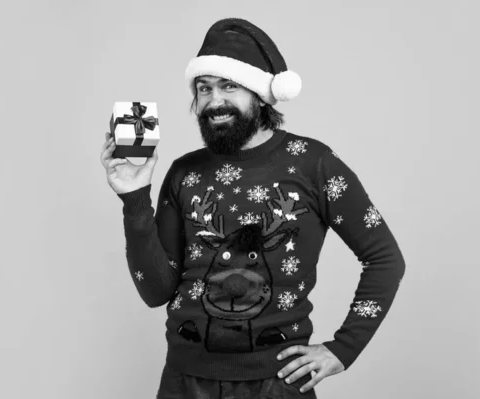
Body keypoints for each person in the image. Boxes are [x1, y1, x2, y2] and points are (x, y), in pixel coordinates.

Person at [100, 17, 405, 399]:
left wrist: (343, 349)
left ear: (261, 94)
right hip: (184, 383)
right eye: (204, 88)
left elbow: (385, 258)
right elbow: (155, 290)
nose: (214, 101)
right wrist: (134, 198)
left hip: (278, 385)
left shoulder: (314, 163)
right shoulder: (184, 173)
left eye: (230, 86)